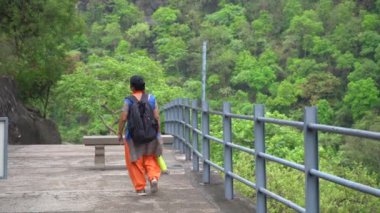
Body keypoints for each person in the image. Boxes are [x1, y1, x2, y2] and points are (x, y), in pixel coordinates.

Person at [117, 75, 163, 196]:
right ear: (144, 86)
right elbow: (157, 117)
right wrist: (157, 133)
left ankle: (140, 188)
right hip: (151, 135)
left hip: (133, 137)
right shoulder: (151, 98)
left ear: (132, 87)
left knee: (135, 161)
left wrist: (119, 133)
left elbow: (123, 117)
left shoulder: (128, 100)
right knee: (151, 158)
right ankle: (153, 178)